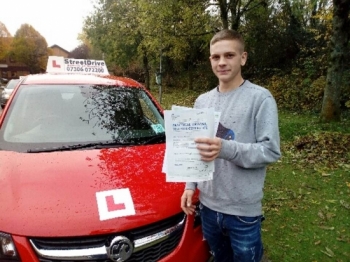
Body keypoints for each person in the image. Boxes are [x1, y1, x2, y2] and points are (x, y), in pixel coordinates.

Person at [180, 29, 281, 262]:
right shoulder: (202, 101)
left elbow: (270, 150)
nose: (222, 62)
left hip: (243, 212)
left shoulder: (260, 99)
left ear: (243, 58)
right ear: (210, 60)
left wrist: (225, 149)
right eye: (216, 57)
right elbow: (196, 150)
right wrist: (189, 185)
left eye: (229, 55)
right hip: (208, 208)